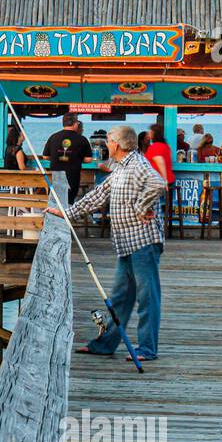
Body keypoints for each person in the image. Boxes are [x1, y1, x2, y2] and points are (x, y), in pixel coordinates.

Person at [47, 125, 166, 360]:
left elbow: (159, 184)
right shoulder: (121, 167)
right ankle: (105, 345)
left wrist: (142, 207)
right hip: (126, 243)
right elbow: (98, 194)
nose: (106, 145)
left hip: (143, 241)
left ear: (119, 144)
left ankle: (147, 349)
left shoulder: (137, 164)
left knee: (147, 297)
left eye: (109, 141)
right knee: (121, 297)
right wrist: (67, 212)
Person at [42, 113, 92, 196]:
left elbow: (45, 156)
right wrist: (76, 158)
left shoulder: (53, 137)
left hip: (56, 175)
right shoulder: (82, 139)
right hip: (72, 175)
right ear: (75, 123)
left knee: (56, 201)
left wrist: (58, 157)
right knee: (69, 201)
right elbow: (88, 159)